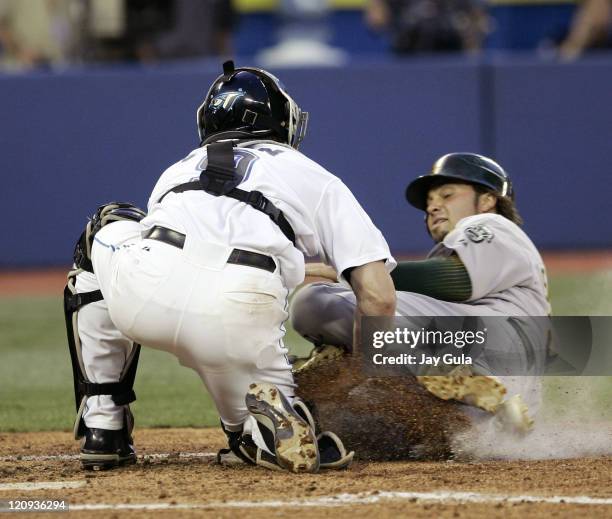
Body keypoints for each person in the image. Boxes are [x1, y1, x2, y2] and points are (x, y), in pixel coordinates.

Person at [63, 61, 396, 473]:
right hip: (240, 307)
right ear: (282, 122)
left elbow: (196, 257)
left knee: (104, 224)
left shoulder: (180, 169)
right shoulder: (313, 175)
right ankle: (258, 432)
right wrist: (370, 381)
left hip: (146, 290)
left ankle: (104, 424)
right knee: (247, 422)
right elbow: (378, 297)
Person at [291, 153, 551, 433]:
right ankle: (470, 414)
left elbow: (455, 279)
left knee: (315, 300)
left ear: (487, 200)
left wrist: (354, 271)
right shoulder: (500, 251)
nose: (433, 207)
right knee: (358, 420)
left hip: (486, 351)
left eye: (447, 195)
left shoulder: (492, 225)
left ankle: (443, 369)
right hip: (509, 393)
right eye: (429, 203)